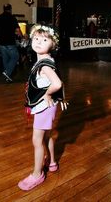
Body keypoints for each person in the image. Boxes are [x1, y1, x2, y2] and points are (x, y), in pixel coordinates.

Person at [18, 24, 68, 191]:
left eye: (44, 39)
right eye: (36, 39)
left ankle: (37, 174)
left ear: (52, 44)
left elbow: (57, 83)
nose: (39, 42)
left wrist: (47, 94)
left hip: (44, 108)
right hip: (48, 107)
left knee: (37, 141)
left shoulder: (44, 64)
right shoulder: (44, 60)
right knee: (47, 136)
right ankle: (52, 163)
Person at [0, 4, 20, 82]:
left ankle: (7, 77)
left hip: (1, 42)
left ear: (3, 9)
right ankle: (7, 72)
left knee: (5, 59)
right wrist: (21, 37)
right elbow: (17, 30)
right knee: (15, 57)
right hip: (10, 41)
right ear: (10, 9)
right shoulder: (12, 18)